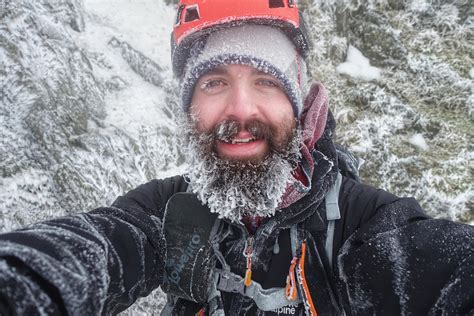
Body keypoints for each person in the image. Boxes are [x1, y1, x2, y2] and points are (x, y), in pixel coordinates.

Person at [0, 1, 472, 315]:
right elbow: (95, 249)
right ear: (189, 108)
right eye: (214, 83)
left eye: (266, 81)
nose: (241, 110)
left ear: (298, 102)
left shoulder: (363, 226)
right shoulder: (164, 213)